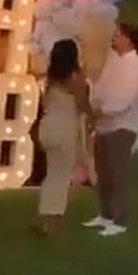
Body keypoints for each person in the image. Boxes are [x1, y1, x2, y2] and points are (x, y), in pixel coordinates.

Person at [82, 23, 138, 237]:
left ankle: (119, 220)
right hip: (104, 126)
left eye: (118, 35)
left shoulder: (135, 67)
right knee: (104, 173)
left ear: (129, 40)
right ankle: (105, 214)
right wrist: (94, 104)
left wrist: (105, 111)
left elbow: (125, 99)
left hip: (122, 126)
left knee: (118, 174)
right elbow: (101, 88)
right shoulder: (113, 62)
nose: (114, 38)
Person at [33, 38, 93, 236]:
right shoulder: (74, 79)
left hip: (48, 126)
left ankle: (45, 217)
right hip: (64, 128)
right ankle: (51, 223)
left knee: (52, 174)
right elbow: (83, 104)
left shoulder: (50, 80)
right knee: (60, 176)